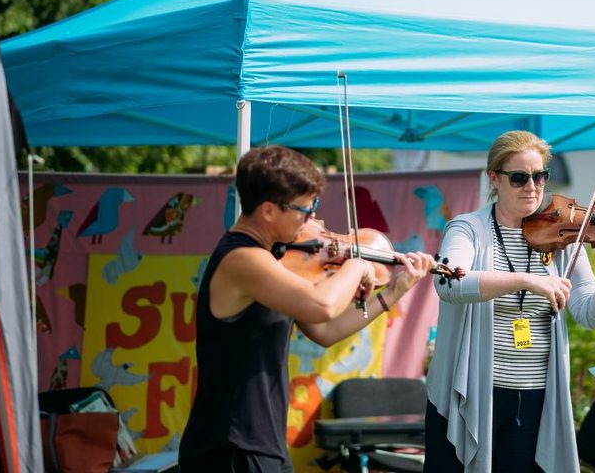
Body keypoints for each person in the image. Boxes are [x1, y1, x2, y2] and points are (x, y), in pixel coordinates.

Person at [178, 146, 435, 473]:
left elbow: (325, 332)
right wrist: (356, 264)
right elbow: (321, 306)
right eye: (305, 208)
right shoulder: (242, 259)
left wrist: (394, 292)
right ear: (269, 210)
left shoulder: (275, 258)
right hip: (228, 444)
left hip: (261, 441)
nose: (313, 218)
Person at [423, 130, 595, 472]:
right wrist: (526, 280)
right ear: (494, 178)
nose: (532, 187)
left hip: (534, 396)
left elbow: (591, 313)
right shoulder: (467, 229)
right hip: (473, 393)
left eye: (540, 176)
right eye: (519, 178)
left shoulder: (563, 234)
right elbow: (449, 282)